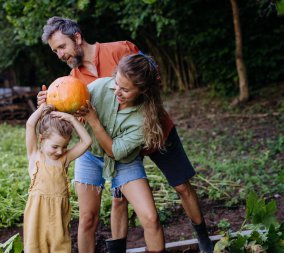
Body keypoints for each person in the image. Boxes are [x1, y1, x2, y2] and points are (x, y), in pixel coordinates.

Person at [40, 16, 214, 253]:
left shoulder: (121, 49)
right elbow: (67, 111)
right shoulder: (73, 81)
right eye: (55, 51)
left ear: (77, 38)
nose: (60, 55)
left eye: (62, 47)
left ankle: (203, 237)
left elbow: (152, 77)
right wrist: (48, 103)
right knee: (119, 197)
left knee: (182, 186)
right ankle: (117, 249)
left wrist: (140, 109)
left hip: (151, 131)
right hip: (114, 146)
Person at [23, 103, 92, 253]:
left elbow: (87, 141)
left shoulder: (64, 159)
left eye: (64, 146)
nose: (60, 151)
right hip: (37, 214)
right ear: (41, 139)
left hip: (58, 215)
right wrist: (41, 109)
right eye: (55, 146)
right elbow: (30, 125)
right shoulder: (35, 155)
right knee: (35, 247)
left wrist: (72, 120)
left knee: (59, 246)